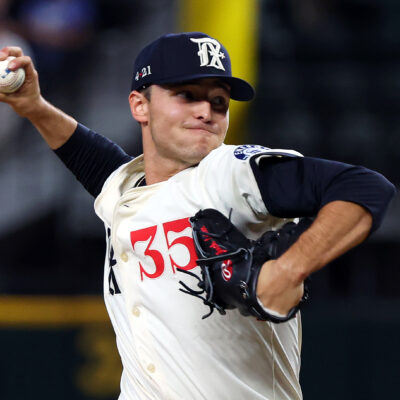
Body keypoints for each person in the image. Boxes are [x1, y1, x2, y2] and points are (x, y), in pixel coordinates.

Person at [0, 32, 395, 400]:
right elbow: (95, 161)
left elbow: (363, 188)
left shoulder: (231, 173)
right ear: (140, 105)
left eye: (218, 101)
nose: (206, 110)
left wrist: (288, 270)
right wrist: (35, 108)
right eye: (187, 95)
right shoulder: (127, 191)